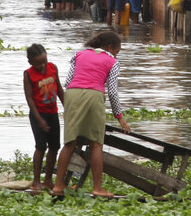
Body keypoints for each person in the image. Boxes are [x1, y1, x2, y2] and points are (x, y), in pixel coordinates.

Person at [50, 31, 132, 197]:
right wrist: (120, 117)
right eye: (117, 51)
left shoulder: (79, 54)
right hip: (94, 95)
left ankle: (58, 186)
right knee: (95, 144)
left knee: (69, 143)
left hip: (72, 94)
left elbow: (68, 81)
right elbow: (113, 92)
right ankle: (98, 188)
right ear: (110, 47)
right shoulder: (112, 61)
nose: (117, 54)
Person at [22, 43, 63, 193]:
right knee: (40, 147)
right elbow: (29, 99)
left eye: (44, 62)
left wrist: (67, 107)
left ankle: (48, 180)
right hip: (38, 114)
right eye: (38, 64)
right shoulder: (28, 74)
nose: (43, 66)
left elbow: (58, 88)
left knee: (54, 147)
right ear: (31, 63)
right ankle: (36, 181)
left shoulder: (53, 68)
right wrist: (39, 119)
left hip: (52, 113)